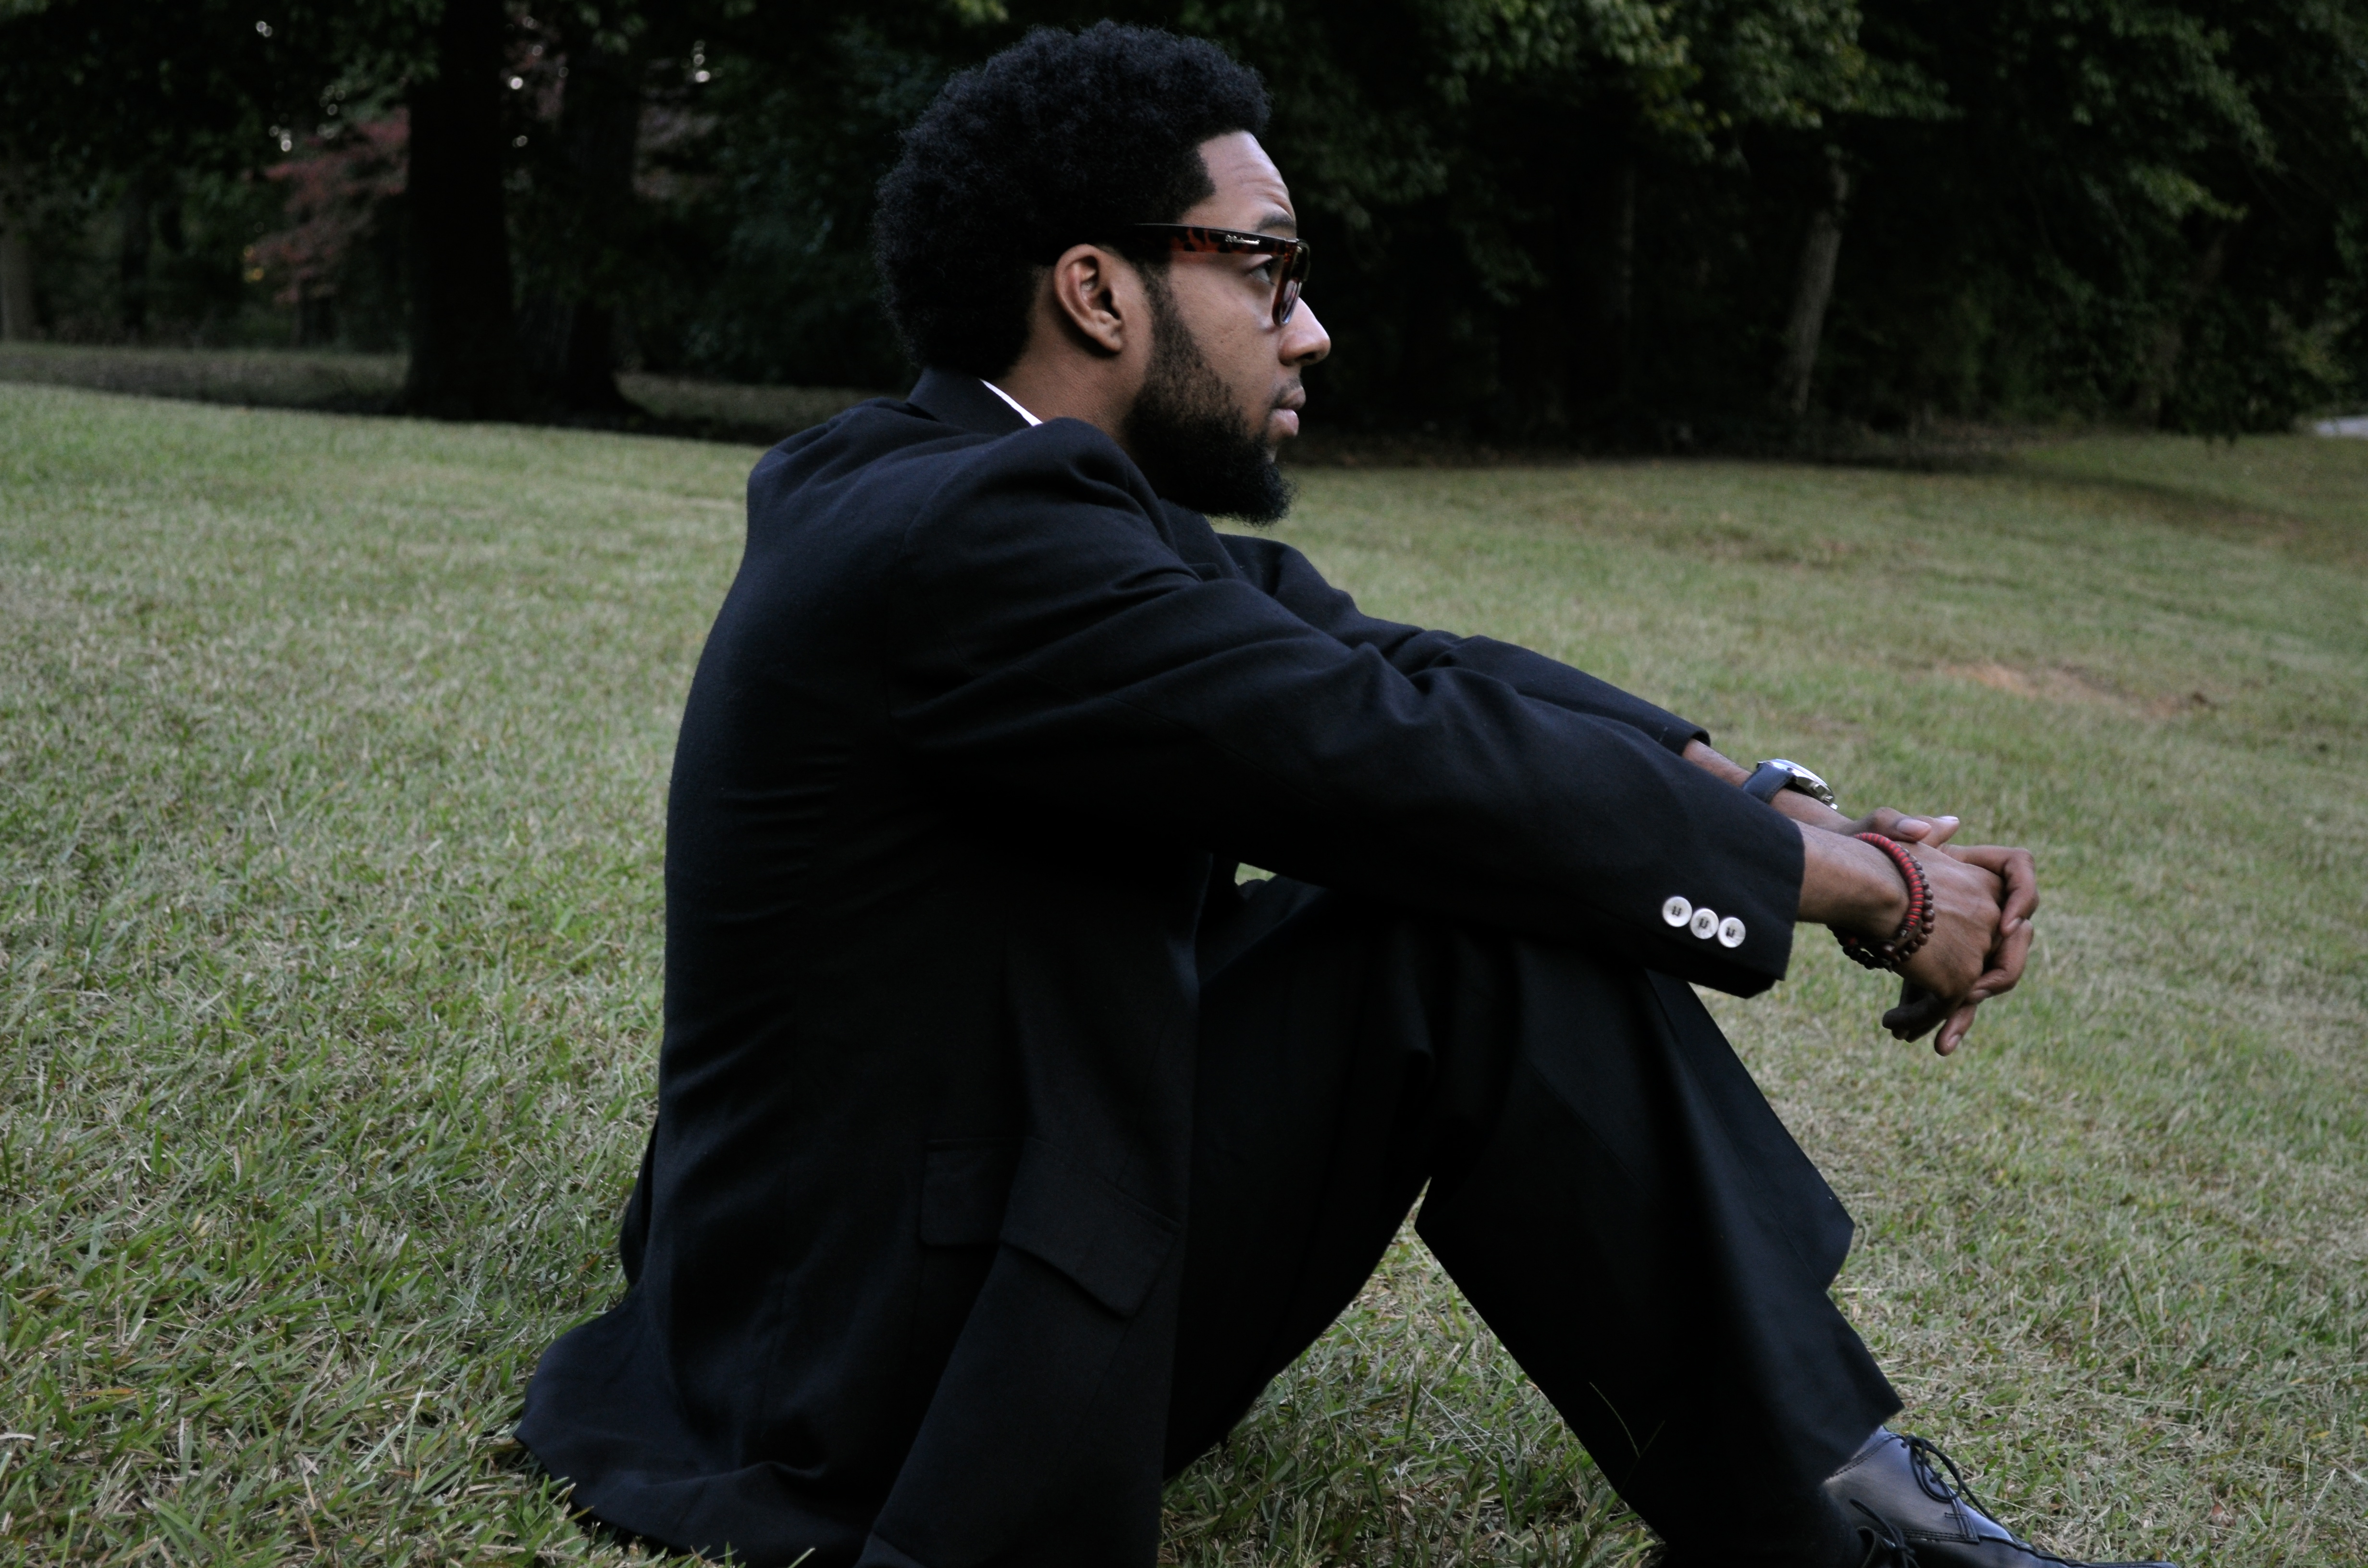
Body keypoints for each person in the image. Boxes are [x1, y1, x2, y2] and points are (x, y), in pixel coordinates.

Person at [517, 23, 2176, 1568]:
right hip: (871, 1385)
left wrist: (1783, 808)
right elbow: (1402, 761)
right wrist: (1877, 896)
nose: (1307, 328)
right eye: (1267, 267)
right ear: (1096, 291)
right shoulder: (977, 541)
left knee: (1466, 880)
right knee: (1462, 926)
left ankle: (1838, 1478)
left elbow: (1401, 665)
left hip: (905, 1245)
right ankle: (1850, 1520)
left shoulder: (986, 488)